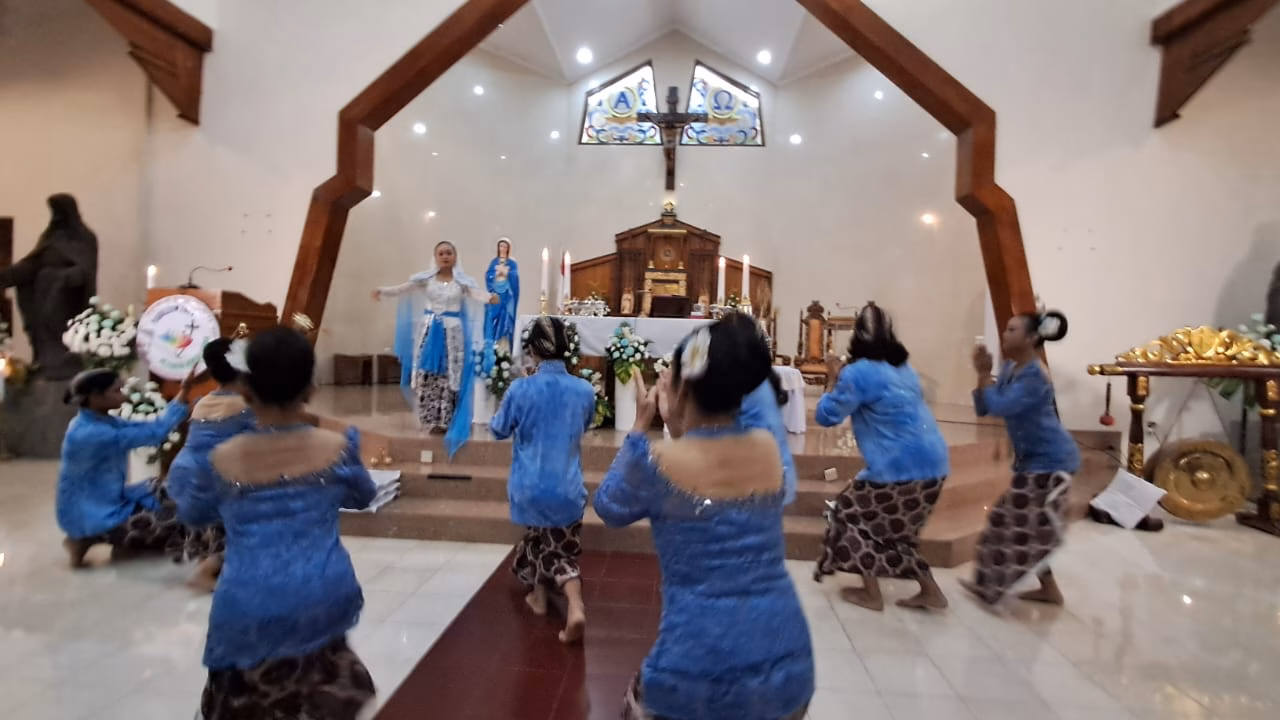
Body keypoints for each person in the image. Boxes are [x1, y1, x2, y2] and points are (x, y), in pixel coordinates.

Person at [595, 319, 814, 720]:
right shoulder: (767, 448)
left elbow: (609, 505)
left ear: (683, 390)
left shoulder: (657, 460)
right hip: (788, 662)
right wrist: (681, 425)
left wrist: (641, 426)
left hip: (695, 670)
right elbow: (712, 457)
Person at [182, 325, 378, 719]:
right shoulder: (337, 448)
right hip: (322, 595)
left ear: (246, 389)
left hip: (248, 602)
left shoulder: (221, 458)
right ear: (311, 390)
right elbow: (363, 496)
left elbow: (194, 513)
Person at [811, 302, 950, 611]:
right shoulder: (906, 370)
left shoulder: (857, 373)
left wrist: (833, 377)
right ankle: (930, 591)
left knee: (847, 514)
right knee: (898, 532)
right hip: (935, 464)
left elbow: (826, 416)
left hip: (897, 468)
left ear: (856, 336)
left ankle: (872, 594)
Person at [961, 306, 1080, 608]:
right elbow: (984, 408)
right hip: (1033, 461)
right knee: (1017, 522)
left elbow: (1001, 406)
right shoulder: (1011, 369)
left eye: (1012, 330)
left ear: (1031, 338)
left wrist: (983, 374)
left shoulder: (1035, 376)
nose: (1005, 334)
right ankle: (1045, 589)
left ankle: (993, 586)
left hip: (1052, 461)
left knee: (1012, 521)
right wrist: (983, 375)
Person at [489, 316, 595, 644]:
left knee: (540, 539)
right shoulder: (584, 389)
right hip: (566, 485)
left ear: (532, 350)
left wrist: (517, 398)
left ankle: (572, 604)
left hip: (529, 485)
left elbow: (498, 429)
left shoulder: (521, 389)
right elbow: (586, 423)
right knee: (556, 545)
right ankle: (548, 598)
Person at [57, 367, 194, 568]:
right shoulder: (92, 433)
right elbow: (156, 433)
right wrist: (184, 393)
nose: (123, 395)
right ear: (95, 396)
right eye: (116, 391)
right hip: (95, 514)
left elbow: (150, 427)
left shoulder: (98, 421)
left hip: (107, 501)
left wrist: (184, 393)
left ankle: (106, 539)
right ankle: (96, 539)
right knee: (179, 516)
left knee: (173, 492)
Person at [373, 240, 498, 457]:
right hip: (430, 332)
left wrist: (491, 298)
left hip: (453, 333)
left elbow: (477, 294)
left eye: (449, 253)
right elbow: (403, 288)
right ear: (435, 257)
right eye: (441, 253)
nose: (445, 256)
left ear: (455, 256)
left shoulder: (463, 282)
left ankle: (447, 419)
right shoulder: (426, 279)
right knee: (429, 374)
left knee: (450, 374)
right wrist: (383, 291)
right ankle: (429, 419)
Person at [166, 337, 256, 592]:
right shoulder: (246, 407)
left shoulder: (203, 401)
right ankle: (210, 567)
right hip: (212, 480)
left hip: (182, 478)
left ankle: (207, 556)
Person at [0, 193, 98, 379]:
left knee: (60, 334)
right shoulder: (50, 236)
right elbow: (32, 264)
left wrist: (66, 276)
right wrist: (7, 275)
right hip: (42, 294)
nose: (55, 216)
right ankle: (44, 361)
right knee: (43, 333)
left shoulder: (85, 237)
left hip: (67, 299)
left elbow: (86, 268)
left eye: (58, 211)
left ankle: (64, 363)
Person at [484, 237, 520, 357]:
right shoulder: (494, 262)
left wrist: (507, 273)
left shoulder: (512, 263)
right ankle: (493, 348)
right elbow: (488, 275)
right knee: (494, 319)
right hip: (496, 294)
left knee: (506, 319)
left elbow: (515, 277)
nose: (503, 248)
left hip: (507, 294)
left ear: (508, 248)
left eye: (505, 246)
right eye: (501, 246)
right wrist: (495, 274)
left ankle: (505, 351)